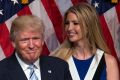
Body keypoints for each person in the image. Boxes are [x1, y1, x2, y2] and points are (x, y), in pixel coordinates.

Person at [50, 2, 119, 80]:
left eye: (75, 23)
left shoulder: (109, 62)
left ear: (89, 26)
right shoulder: (56, 59)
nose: (69, 28)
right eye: (67, 23)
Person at [0, 15, 72, 80]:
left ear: (43, 40)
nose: (31, 46)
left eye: (35, 38)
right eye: (25, 40)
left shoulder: (60, 67)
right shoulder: (2, 71)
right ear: (13, 43)